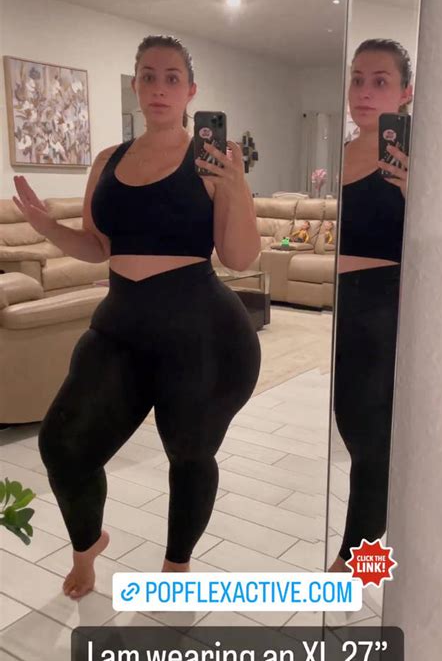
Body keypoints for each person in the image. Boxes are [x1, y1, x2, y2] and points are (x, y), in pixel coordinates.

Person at [12, 34, 262, 598]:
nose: (159, 87)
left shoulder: (212, 161)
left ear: (191, 90)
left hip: (200, 332)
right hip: (121, 327)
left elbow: (239, 257)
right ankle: (87, 548)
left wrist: (235, 186)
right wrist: (46, 227)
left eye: (172, 77)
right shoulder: (108, 160)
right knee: (63, 445)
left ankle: (177, 567)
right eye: (148, 76)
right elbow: (98, 247)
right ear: (137, 85)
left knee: (189, 453)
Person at [329, 38, 412, 572]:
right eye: (357, 78)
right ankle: (365, 554)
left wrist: (416, 188)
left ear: (406, 93)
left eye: (380, 81)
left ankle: (355, 562)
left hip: (388, 302)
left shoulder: (417, 150)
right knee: (352, 424)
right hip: (346, 303)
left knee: (369, 435)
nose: (363, 90)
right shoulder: (344, 151)